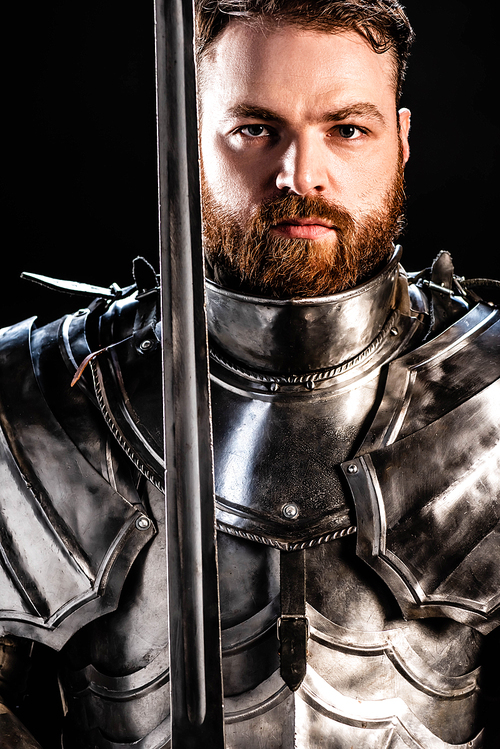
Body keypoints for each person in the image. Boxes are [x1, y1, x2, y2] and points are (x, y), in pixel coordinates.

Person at [1, 1, 499, 746]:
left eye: (346, 129)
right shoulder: (34, 397)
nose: (300, 174)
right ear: (190, 140)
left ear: (401, 142)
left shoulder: (491, 393)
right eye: (256, 129)